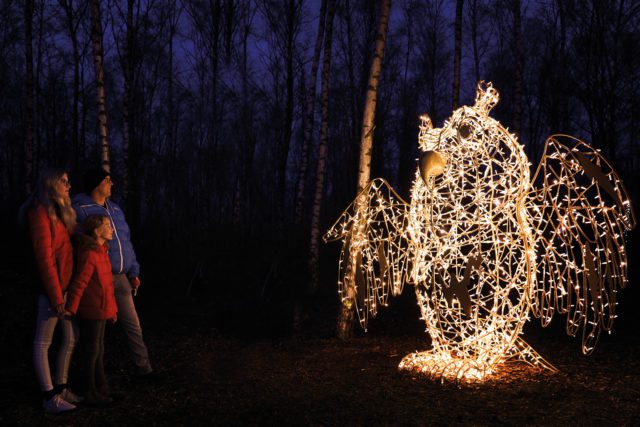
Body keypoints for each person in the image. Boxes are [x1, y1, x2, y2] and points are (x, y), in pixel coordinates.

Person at [72, 167, 155, 377]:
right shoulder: (80, 208)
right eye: (108, 180)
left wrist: (134, 271)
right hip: (98, 278)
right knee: (96, 333)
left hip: (121, 278)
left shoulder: (115, 210)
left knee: (133, 325)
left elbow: (126, 243)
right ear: (97, 183)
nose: (112, 184)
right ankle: (92, 378)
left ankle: (144, 369)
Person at [19, 168, 81, 414]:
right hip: (50, 290)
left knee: (71, 336)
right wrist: (56, 296)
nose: (69, 185)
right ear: (51, 183)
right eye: (64, 181)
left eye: (68, 181)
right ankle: (49, 397)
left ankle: (61, 387)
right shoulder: (40, 213)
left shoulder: (60, 212)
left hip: (64, 287)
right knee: (43, 341)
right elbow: (45, 259)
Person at [65, 215, 117, 406]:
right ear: (97, 231)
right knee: (91, 350)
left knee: (99, 348)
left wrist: (113, 310)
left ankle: (100, 386)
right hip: (91, 310)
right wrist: (71, 308)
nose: (111, 228)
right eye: (107, 225)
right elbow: (81, 281)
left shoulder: (102, 251)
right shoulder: (90, 253)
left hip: (102, 308)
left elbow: (107, 285)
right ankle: (88, 391)